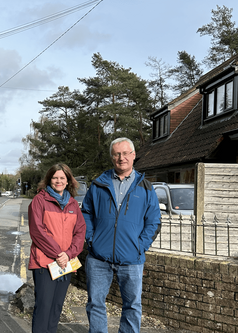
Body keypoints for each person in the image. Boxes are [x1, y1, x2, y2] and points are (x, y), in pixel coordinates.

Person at [81, 137, 161, 333]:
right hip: (99, 257)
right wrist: (91, 239)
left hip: (132, 259)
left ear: (133, 155)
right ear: (111, 157)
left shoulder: (146, 187)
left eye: (125, 153)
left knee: (132, 306)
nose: (121, 157)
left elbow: (154, 221)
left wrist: (139, 247)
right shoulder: (99, 184)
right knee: (95, 303)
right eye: (117, 154)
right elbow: (86, 213)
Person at [28, 163, 86, 333]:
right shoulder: (39, 201)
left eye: (62, 178)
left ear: (68, 181)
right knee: (43, 308)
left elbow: (80, 231)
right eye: (55, 177)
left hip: (66, 264)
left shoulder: (73, 204)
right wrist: (58, 254)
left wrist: (68, 254)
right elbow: (37, 231)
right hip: (44, 263)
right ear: (49, 179)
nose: (58, 181)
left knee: (56, 309)